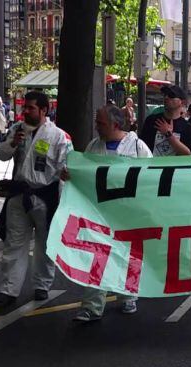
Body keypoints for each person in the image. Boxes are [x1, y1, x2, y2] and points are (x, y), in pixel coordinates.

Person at [0, 91, 72, 305]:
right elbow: (1, 155)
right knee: (14, 242)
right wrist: (13, 144)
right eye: (24, 107)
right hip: (18, 194)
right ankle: (8, 289)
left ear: (44, 110)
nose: (25, 111)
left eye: (31, 108)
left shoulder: (58, 136)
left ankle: (42, 285)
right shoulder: (17, 130)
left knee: (45, 244)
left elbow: (66, 168)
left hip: (46, 196)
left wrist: (64, 198)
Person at [72, 105, 152, 321]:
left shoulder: (137, 147)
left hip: (129, 211)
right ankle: (91, 305)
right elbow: (85, 174)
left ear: (115, 124)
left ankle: (128, 297)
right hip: (101, 212)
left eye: (101, 123)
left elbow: (151, 177)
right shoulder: (93, 147)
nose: (97, 126)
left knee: (129, 255)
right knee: (98, 255)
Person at [139, 85, 191, 156]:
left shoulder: (187, 127)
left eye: (171, 95)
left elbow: (188, 154)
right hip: (151, 166)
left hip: (174, 166)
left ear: (182, 102)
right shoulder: (152, 120)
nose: (166, 97)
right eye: (165, 95)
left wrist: (169, 135)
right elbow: (141, 146)